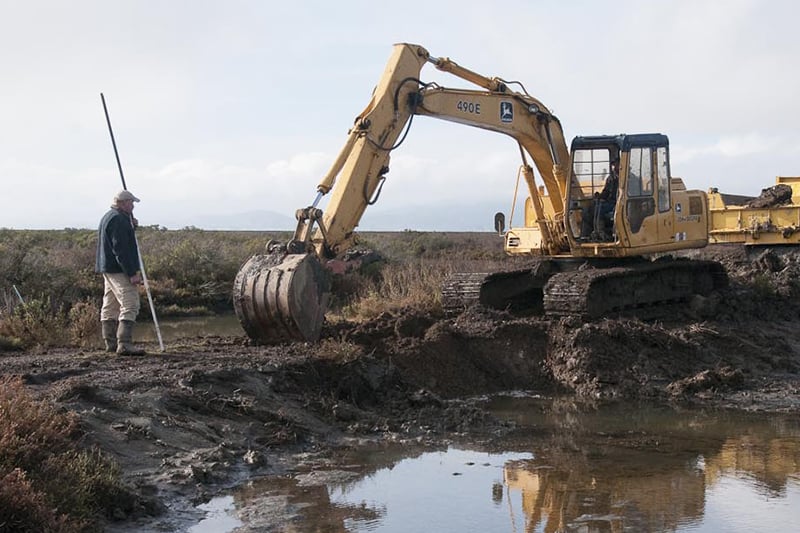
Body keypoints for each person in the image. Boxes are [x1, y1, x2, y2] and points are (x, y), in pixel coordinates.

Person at [95, 190, 145, 355]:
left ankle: (110, 343)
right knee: (130, 303)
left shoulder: (109, 216)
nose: (133, 206)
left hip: (107, 268)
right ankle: (124, 344)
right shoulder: (119, 219)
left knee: (110, 305)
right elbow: (121, 249)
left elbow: (120, 241)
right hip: (118, 269)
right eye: (131, 203)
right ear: (123, 203)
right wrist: (132, 273)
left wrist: (132, 227)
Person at [581, 157, 620, 240]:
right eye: (614, 165)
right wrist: (599, 196)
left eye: (617, 164)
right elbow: (606, 191)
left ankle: (601, 232)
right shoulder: (611, 178)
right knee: (594, 206)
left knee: (601, 208)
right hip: (611, 202)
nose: (615, 167)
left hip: (619, 203)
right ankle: (592, 233)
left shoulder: (628, 178)